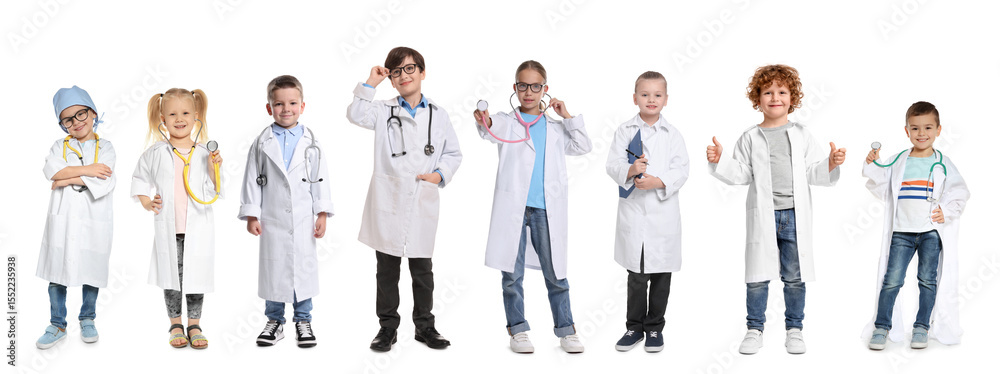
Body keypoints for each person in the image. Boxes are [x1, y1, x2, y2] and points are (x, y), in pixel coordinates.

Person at [706, 64, 845, 355]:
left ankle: (794, 329)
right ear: (757, 98)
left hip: (795, 214)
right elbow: (742, 174)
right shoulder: (750, 136)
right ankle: (754, 329)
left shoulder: (802, 134)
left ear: (792, 98)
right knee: (757, 276)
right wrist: (721, 159)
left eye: (782, 91)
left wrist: (831, 162)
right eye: (767, 92)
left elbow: (813, 171)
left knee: (794, 276)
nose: (775, 97)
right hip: (764, 215)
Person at [346, 47, 461, 352]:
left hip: (422, 198)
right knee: (387, 270)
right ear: (392, 81)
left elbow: (453, 153)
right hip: (390, 200)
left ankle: (425, 326)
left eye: (410, 69)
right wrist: (372, 81)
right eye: (396, 72)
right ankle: (387, 328)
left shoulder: (439, 114)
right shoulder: (382, 111)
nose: (404, 76)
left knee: (422, 270)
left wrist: (439, 174)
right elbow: (355, 113)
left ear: (422, 72)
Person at [474, 60, 592, 353]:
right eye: (523, 86)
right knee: (512, 275)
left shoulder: (555, 127)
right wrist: (483, 118)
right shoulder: (506, 121)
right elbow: (488, 130)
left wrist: (567, 116)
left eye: (535, 86)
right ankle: (518, 331)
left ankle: (566, 330)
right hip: (513, 208)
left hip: (545, 210)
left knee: (556, 273)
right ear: (515, 89)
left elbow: (583, 146)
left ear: (545, 90)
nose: (529, 92)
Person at [863, 101, 970, 350]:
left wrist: (945, 210)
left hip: (930, 232)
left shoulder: (944, 161)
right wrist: (872, 162)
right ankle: (881, 327)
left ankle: (922, 327)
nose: (921, 134)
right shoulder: (900, 159)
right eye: (915, 128)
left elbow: (960, 191)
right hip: (901, 232)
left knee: (927, 281)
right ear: (906, 131)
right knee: (892, 281)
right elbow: (879, 181)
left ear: (938, 130)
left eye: (928, 128)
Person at [240, 75, 333, 348]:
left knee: (303, 269)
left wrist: (322, 213)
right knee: (274, 271)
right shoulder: (261, 143)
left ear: (303, 105)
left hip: (304, 218)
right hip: (272, 218)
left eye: (292, 102)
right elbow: (250, 178)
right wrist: (252, 214)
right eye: (279, 104)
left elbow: (321, 179)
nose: (286, 109)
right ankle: (275, 321)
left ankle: (303, 321)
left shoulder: (311, 143)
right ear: (269, 108)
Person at [606, 71, 689, 353]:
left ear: (665, 99)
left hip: (662, 216)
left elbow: (682, 169)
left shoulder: (672, 134)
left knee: (661, 277)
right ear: (634, 98)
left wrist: (658, 181)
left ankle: (654, 328)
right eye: (644, 94)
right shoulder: (624, 131)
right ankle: (633, 327)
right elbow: (612, 165)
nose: (650, 99)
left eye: (657, 95)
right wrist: (631, 170)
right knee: (637, 276)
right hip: (634, 216)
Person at [132, 88, 220, 349]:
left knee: (196, 276)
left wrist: (216, 167)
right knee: (173, 276)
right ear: (162, 118)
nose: (179, 119)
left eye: (185, 113)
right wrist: (147, 201)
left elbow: (215, 188)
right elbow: (139, 178)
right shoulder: (156, 152)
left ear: (196, 116)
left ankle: (195, 324)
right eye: (172, 114)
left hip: (199, 225)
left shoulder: (205, 152)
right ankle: (175, 323)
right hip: (169, 227)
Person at [36, 86, 116, 349]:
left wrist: (67, 177)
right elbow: (52, 172)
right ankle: (57, 323)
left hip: (94, 219)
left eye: (81, 114)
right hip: (63, 219)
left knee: (91, 271)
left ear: (93, 113)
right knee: (56, 273)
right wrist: (87, 170)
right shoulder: (59, 146)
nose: (76, 123)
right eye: (68, 119)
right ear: (62, 125)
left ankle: (87, 318)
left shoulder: (106, 147)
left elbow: (104, 181)